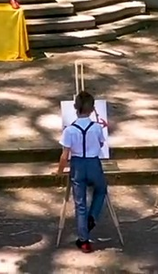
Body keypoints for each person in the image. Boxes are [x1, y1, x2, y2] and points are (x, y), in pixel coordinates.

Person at [57, 91, 107, 254]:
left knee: (80, 203)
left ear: (75, 107)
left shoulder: (70, 130)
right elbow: (101, 144)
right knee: (101, 190)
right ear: (92, 109)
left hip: (78, 164)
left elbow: (65, 155)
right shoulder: (97, 127)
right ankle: (92, 217)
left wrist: (59, 171)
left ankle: (84, 239)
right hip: (93, 163)